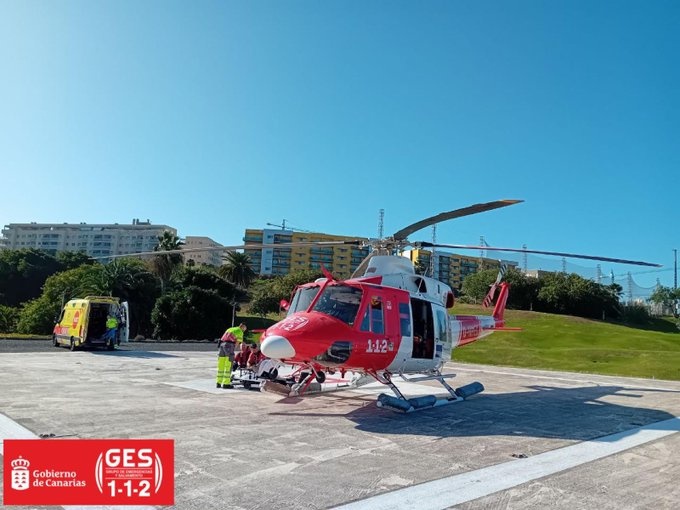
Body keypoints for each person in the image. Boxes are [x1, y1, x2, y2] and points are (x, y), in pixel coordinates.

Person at [216, 323, 247, 389]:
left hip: (222, 345)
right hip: (229, 346)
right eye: (245, 328)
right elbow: (237, 343)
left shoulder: (230, 329)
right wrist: (233, 349)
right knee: (228, 364)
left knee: (221, 364)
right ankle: (226, 384)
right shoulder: (240, 332)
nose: (244, 330)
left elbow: (222, 338)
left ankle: (218, 383)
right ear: (242, 326)